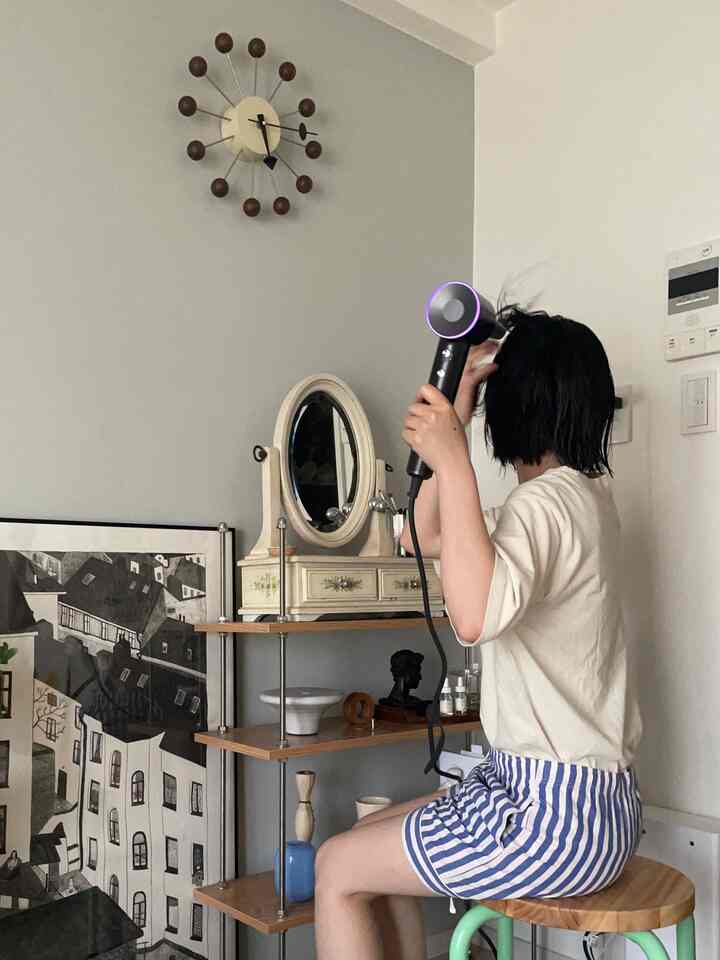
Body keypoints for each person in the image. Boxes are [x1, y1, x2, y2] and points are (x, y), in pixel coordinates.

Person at [314, 308, 643, 960]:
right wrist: (453, 423)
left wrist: (454, 453)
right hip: (591, 804)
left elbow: (473, 617)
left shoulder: (547, 505)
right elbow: (427, 535)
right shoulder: (580, 498)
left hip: (554, 818)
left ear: (516, 407)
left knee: (336, 870)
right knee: (368, 837)